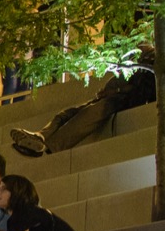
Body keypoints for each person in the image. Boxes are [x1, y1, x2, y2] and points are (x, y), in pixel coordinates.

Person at [11, 51, 155, 157]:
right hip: (111, 95)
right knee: (65, 114)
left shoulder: (149, 67)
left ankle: (47, 147)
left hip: (122, 100)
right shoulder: (136, 63)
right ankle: (40, 136)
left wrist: (113, 91)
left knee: (89, 113)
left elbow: (140, 89)